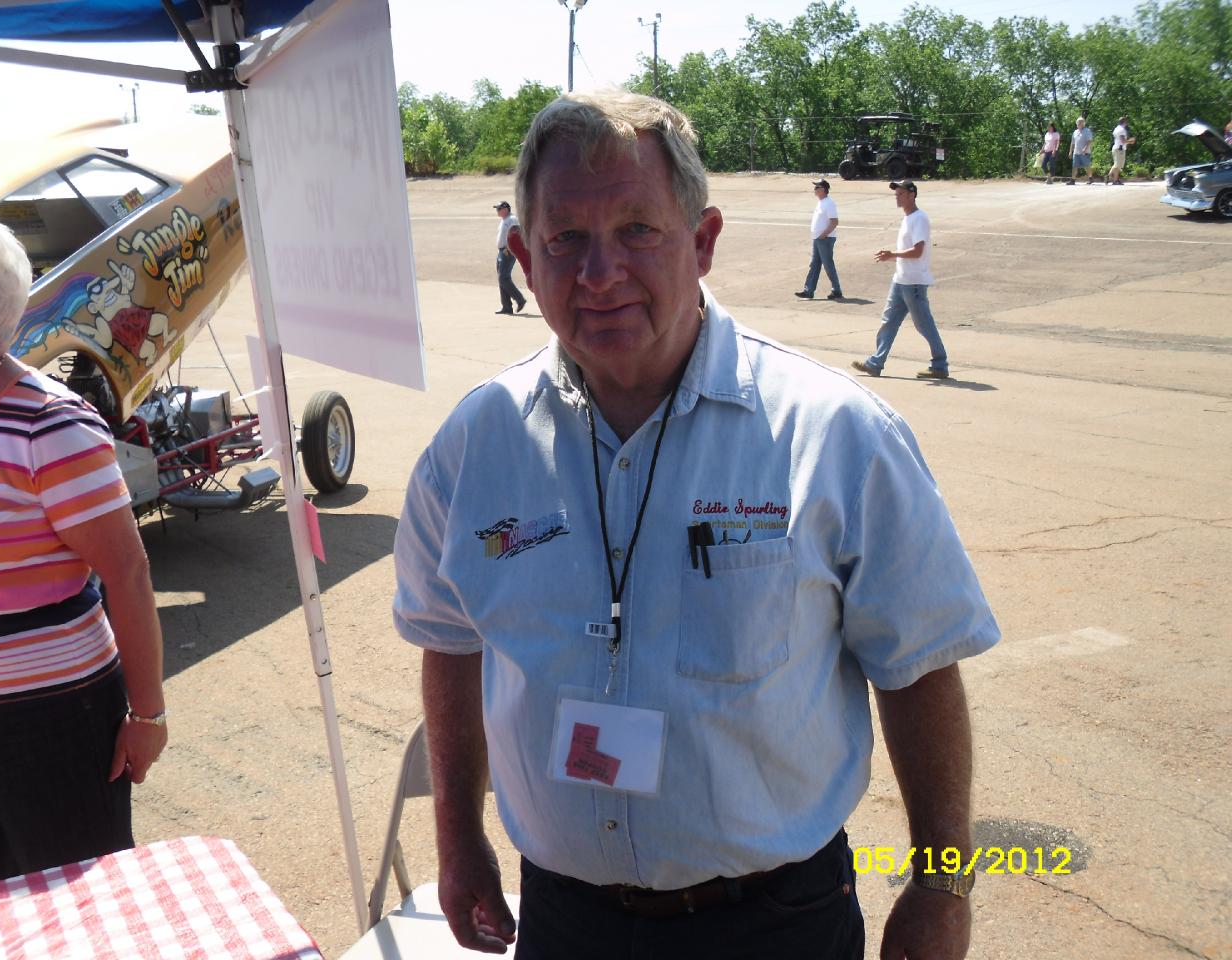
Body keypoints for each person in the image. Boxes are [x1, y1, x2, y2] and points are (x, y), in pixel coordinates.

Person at [393, 91, 998, 960]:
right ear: (524, 257)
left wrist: (942, 886)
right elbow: (450, 641)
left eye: (637, 230)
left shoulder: (835, 435)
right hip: (566, 921)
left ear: (703, 241)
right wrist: (458, 842)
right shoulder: (474, 447)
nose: (600, 271)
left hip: (776, 922)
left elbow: (921, 666)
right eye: (565, 239)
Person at [0, 210, 167, 891]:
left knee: (75, 900)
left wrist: (148, 714)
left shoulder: (50, 425)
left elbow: (127, 573)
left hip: (49, 718)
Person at [852, 180, 949, 380]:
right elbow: (910, 252)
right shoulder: (907, 218)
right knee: (888, 322)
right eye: (896, 194)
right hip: (901, 280)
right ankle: (875, 363)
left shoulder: (919, 218)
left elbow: (918, 251)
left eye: (901, 194)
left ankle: (940, 365)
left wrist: (893, 254)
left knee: (924, 324)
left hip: (914, 282)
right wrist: (891, 257)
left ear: (912, 195)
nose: (897, 197)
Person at [794, 179, 843, 301]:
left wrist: (824, 235)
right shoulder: (821, 202)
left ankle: (836, 291)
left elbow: (834, 222)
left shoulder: (829, 203)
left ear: (823, 189)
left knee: (828, 265)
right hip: (818, 239)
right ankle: (808, 291)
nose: (814, 189)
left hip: (825, 239)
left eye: (817, 187)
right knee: (814, 264)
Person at [493, 201, 526, 315]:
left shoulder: (512, 220)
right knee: (501, 278)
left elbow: (516, 235)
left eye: (499, 209)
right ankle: (506, 306)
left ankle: (520, 300)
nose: (497, 211)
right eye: (497, 209)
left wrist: (508, 248)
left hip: (508, 251)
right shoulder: (505, 220)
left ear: (506, 209)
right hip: (502, 251)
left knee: (503, 278)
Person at [1108, 116, 1135, 185]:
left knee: (1117, 165)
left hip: (1117, 148)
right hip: (1119, 149)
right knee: (1118, 165)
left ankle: (1115, 180)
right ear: (1124, 122)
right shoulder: (1122, 130)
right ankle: (1109, 176)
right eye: (1126, 121)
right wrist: (1131, 141)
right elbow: (1123, 141)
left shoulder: (1117, 128)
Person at [1067, 117, 1093, 185]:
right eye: (1078, 122)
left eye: (1081, 122)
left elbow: (1089, 140)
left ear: (1084, 123)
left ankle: (1090, 178)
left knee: (1087, 166)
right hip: (1076, 152)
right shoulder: (1075, 132)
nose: (1079, 123)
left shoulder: (1087, 131)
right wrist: (1070, 151)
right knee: (1074, 166)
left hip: (1085, 152)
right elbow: (1072, 143)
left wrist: (1085, 148)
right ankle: (1073, 180)